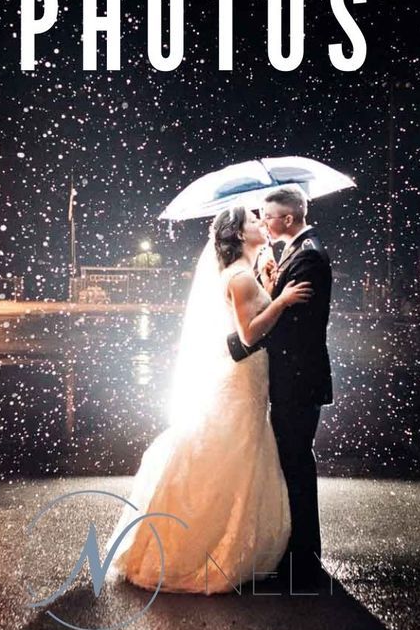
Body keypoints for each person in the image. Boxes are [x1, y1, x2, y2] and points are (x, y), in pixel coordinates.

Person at [107, 206, 312, 593]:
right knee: (233, 450)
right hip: (241, 379)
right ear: (238, 235)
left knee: (240, 449)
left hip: (247, 378)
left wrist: (267, 284)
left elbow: (249, 315)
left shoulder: (243, 274)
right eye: (253, 222)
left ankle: (227, 538)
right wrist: (281, 301)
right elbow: (249, 335)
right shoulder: (237, 277)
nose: (261, 225)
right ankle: (210, 545)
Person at [228, 185, 333, 589]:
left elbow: (291, 329)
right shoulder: (297, 251)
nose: (264, 223)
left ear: (287, 218)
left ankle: (304, 560)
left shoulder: (308, 256)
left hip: (299, 378)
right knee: (292, 462)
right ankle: (298, 553)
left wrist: (240, 345)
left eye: (267, 216)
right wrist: (273, 287)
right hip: (293, 377)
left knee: (297, 465)